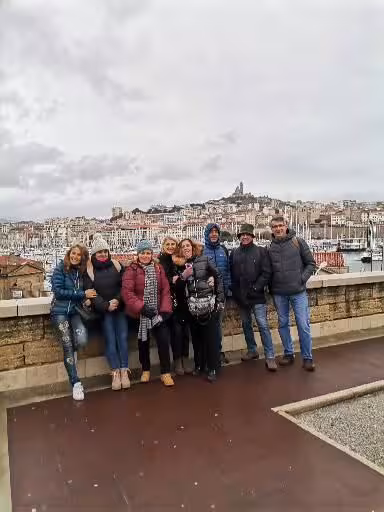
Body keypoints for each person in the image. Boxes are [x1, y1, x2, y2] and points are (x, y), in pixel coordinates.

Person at [122, 239, 175, 387]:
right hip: (141, 313)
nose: (146, 256)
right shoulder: (131, 270)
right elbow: (127, 293)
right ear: (138, 254)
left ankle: (165, 372)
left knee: (164, 341)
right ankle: (145, 369)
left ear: (152, 254)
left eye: (148, 253)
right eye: (143, 253)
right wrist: (142, 308)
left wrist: (164, 310)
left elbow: (165, 290)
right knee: (143, 342)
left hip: (157, 311)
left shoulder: (158, 268)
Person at [268, 215, 316, 371]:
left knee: (303, 325)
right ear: (272, 229)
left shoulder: (298, 242)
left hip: (298, 292)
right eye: (275, 227)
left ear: (286, 225)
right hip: (279, 293)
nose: (278, 229)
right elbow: (268, 271)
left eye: (280, 225)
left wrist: (301, 279)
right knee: (283, 324)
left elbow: (311, 263)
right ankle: (288, 353)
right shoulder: (270, 247)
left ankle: (307, 357)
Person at [173, 238, 224, 382]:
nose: (186, 248)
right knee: (196, 339)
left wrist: (220, 300)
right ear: (180, 250)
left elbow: (218, 277)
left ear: (193, 247)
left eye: (188, 245)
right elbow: (178, 288)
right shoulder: (180, 266)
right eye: (183, 247)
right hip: (192, 308)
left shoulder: (205, 259)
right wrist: (183, 276)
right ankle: (199, 365)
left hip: (208, 304)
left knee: (211, 339)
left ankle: (213, 367)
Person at [50, 243, 97, 400]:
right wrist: (82, 293)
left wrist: (87, 298)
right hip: (60, 312)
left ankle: (72, 353)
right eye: (74, 253)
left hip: (75, 311)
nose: (75, 257)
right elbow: (59, 292)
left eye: (79, 255)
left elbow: (93, 277)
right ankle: (76, 383)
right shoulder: (60, 269)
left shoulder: (81, 272)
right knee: (67, 345)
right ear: (69, 253)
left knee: (82, 338)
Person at [84, 236, 130, 391]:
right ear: (94, 254)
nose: (103, 254)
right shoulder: (89, 271)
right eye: (99, 252)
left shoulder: (117, 265)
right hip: (104, 311)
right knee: (110, 340)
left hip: (119, 308)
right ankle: (115, 373)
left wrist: (117, 300)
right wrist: (106, 305)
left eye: (105, 251)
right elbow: (91, 293)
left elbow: (125, 285)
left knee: (122, 338)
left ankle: (125, 371)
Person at [230, 224, 277, 371]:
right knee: (246, 324)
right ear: (239, 237)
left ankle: (270, 356)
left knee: (262, 325)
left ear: (252, 236)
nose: (244, 236)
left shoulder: (261, 251)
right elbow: (232, 274)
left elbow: (266, 272)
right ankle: (252, 350)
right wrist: (236, 291)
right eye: (242, 234)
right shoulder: (234, 253)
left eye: (247, 234)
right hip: (241, 296)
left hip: (257, 295)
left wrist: (256, 287)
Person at [159, 237, 191, 375]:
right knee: (176, 332)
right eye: (168, 244)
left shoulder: (181, 261)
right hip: (169, 301)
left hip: (183, 298)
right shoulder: (160, 262)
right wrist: (172, 281)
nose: (171, 246)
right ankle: (177, 360)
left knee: (185, 331)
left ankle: (185, 358)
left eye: (173, 244)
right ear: (163, 246)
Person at [203, 223, 231, 366]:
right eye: (211, 232)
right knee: (207, 325)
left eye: (216, 232)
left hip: (221, 294)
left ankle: (218, 351)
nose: (214, 234)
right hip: (206, 296)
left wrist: (229, 289)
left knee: (218, 325)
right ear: (207, 234)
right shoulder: (201, 251)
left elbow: (228, 271)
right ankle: (208, 354)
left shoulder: (224, 250)